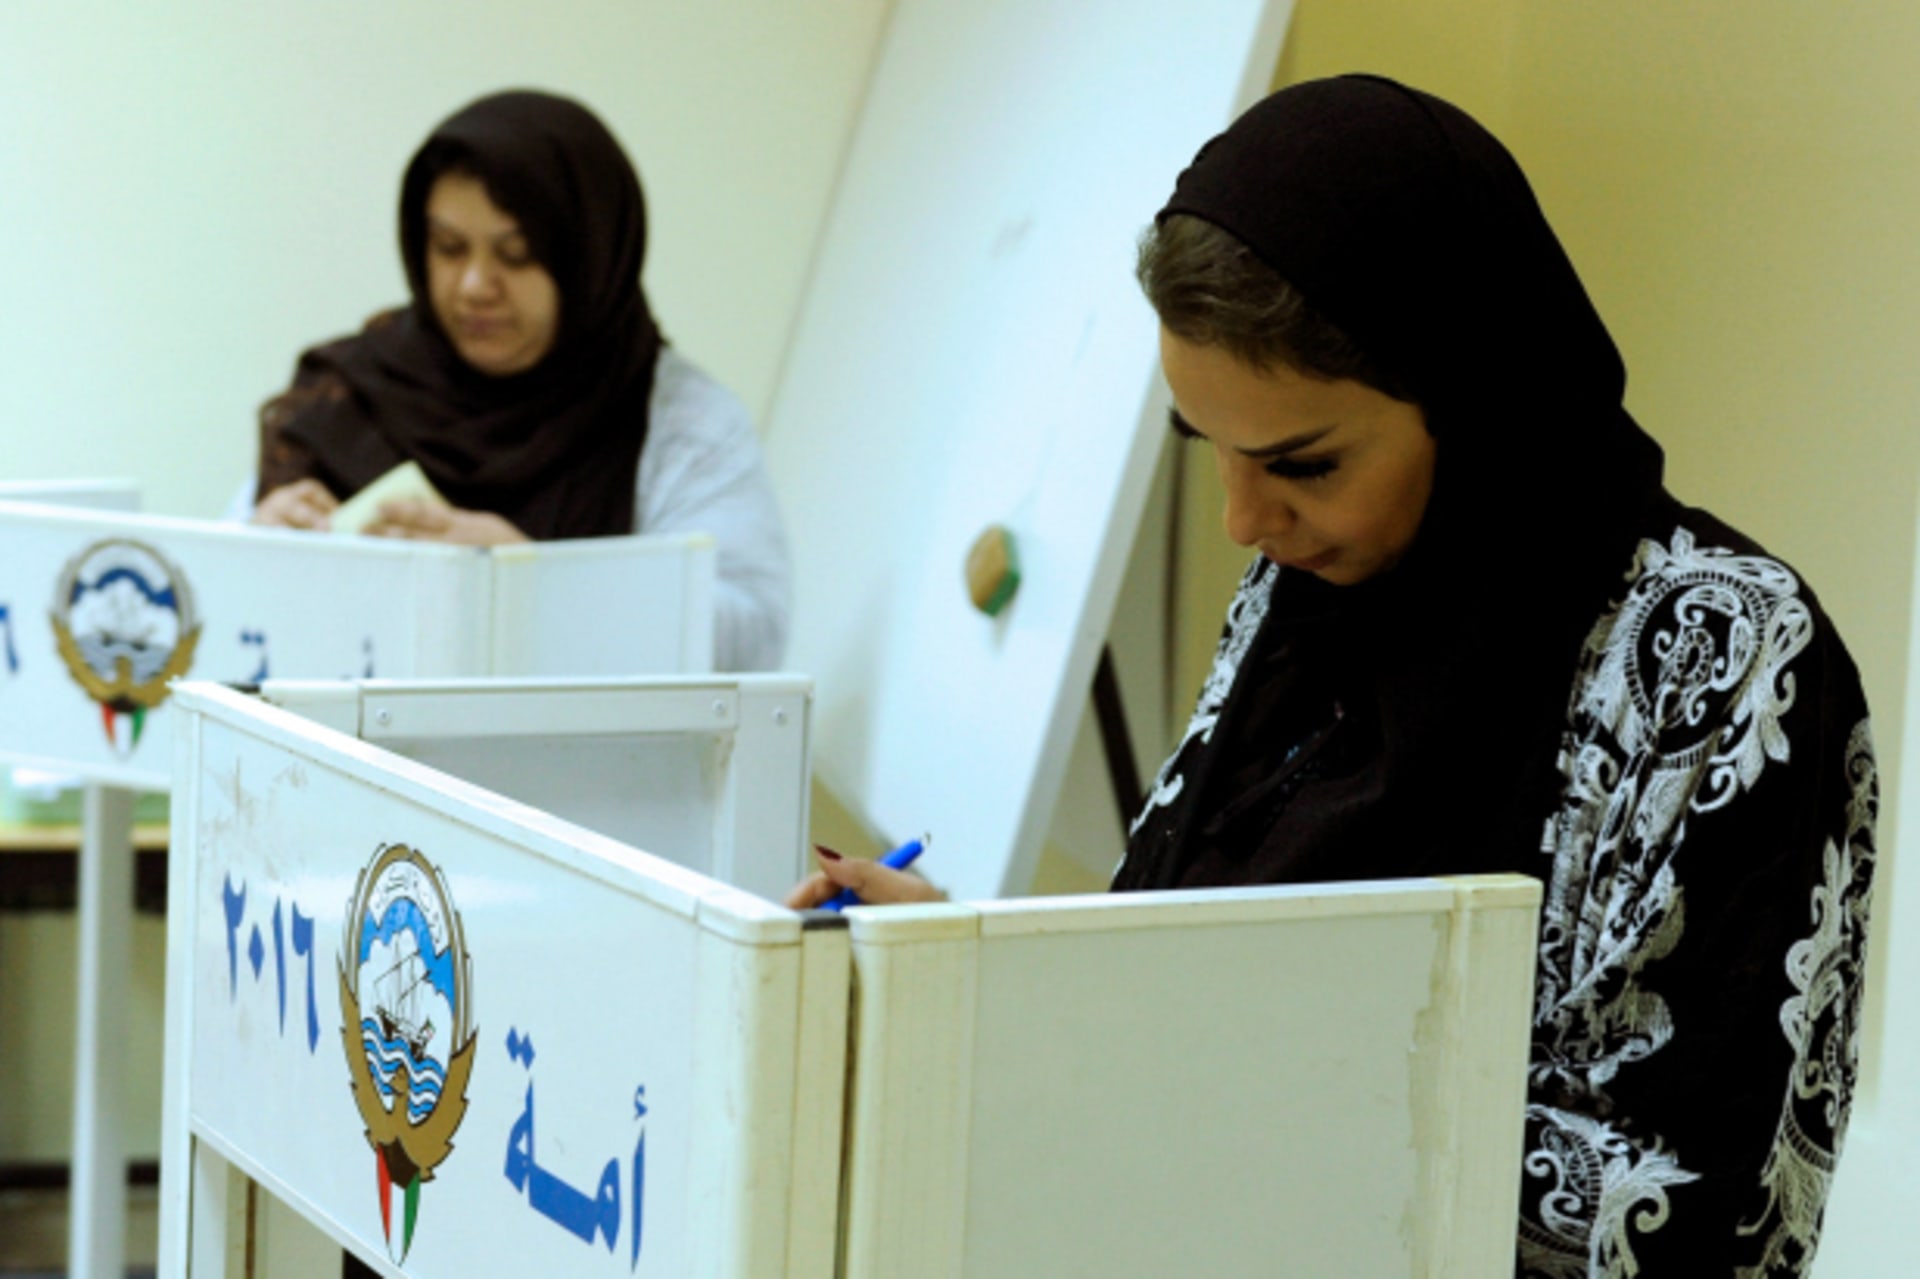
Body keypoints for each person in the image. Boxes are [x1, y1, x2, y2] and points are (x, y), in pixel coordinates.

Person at [789, 75, 1876, 1276]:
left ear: (1470, 398)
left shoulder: (1722, 663)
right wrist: (978, 975)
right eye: (1207, 450)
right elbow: (1165, 961)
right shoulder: (1310, 598)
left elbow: (1704, 1212)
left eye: (1300, 463)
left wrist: (1234, 1079)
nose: (1244, 520)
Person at [244, 90, 790, 671]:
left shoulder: (679, 420)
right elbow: (218, 608)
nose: (476, 284)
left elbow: (751, 638)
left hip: (574, 760)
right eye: (450, 248)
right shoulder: (350, 388)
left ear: (589, 259)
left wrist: (538, 586)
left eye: (518, 254)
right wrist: (256, 549)